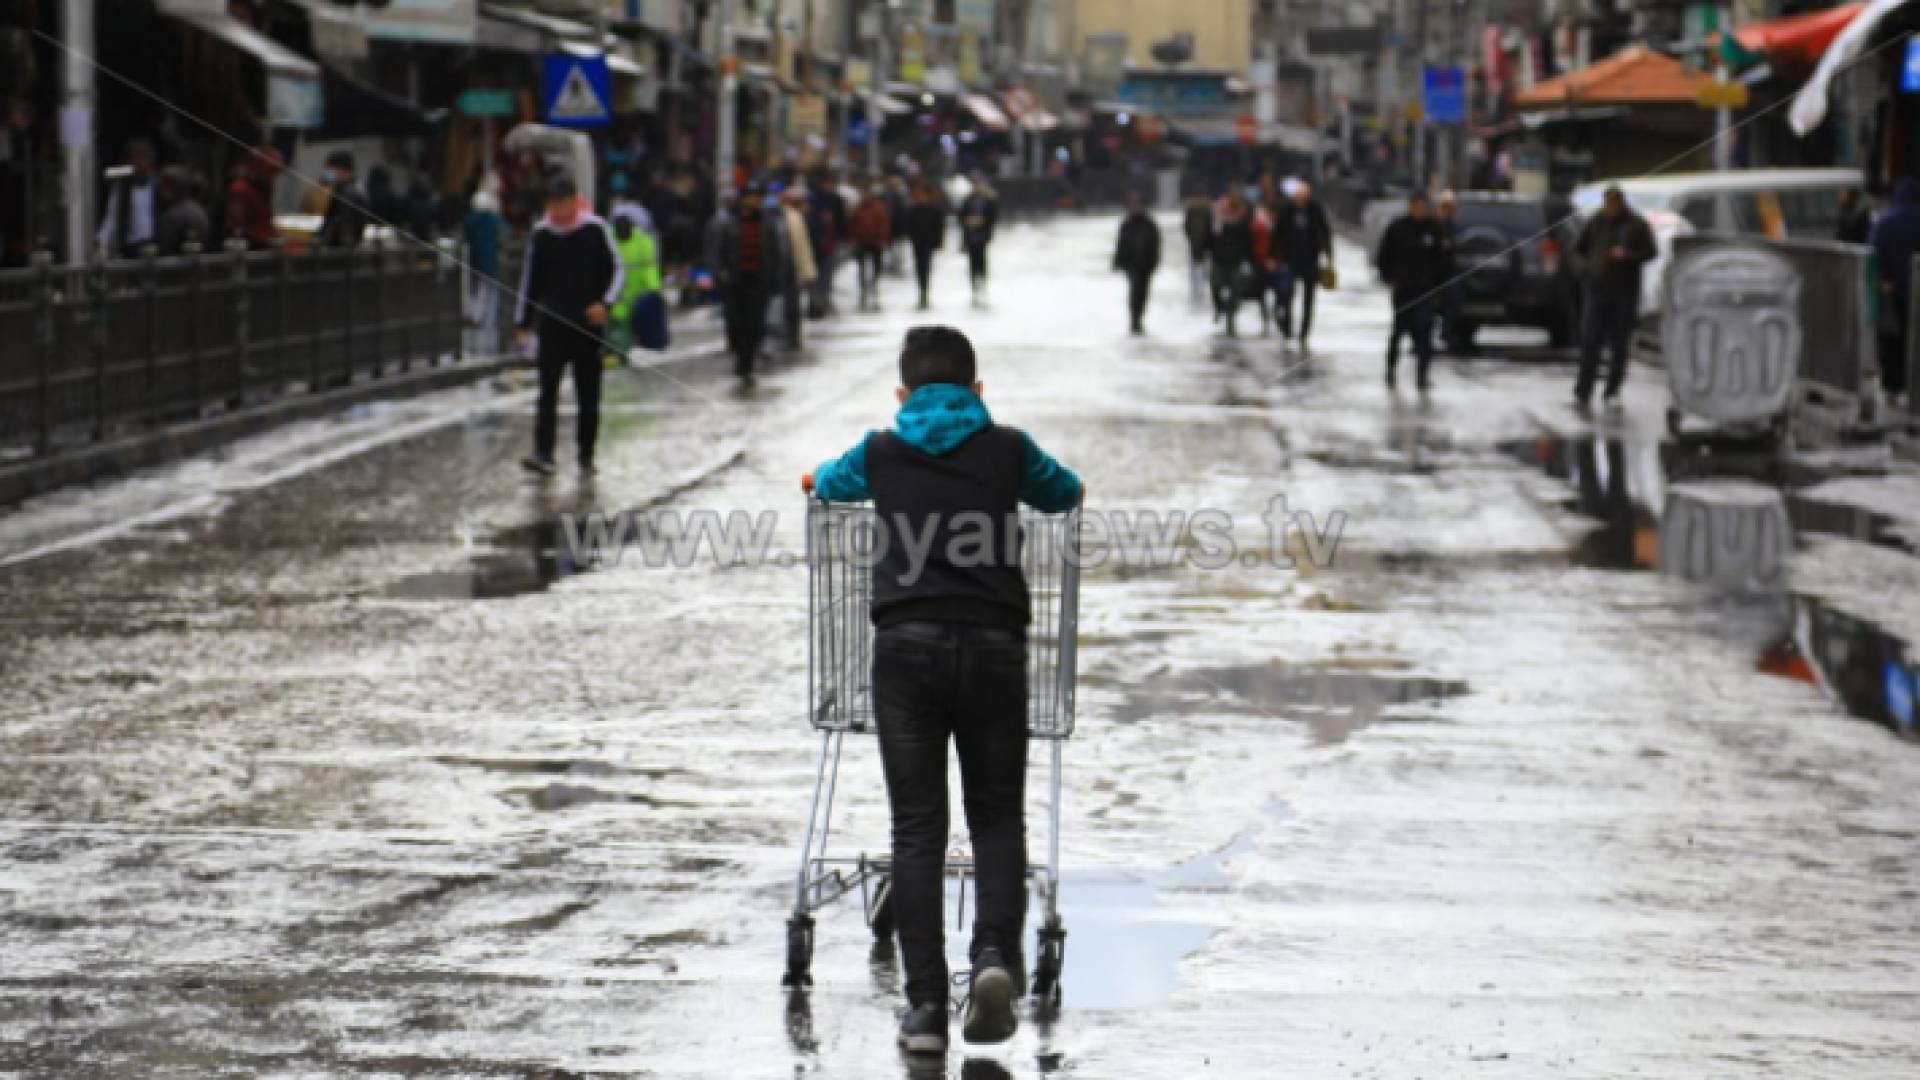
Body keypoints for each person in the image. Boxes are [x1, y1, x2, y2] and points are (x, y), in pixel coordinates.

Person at [807, 325, 1083, 1056]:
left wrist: (814, 480)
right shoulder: (1008, 447)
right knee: (995, 818)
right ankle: (993, 958)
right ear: (978, 393)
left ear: (902, 396)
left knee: (918, 828)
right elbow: (1065, 492)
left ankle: (926, 1008)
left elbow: (828, 482)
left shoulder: (879, 451)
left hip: (906, 649)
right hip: (994, 645)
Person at [514, 174, 623, 476]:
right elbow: (530, 281)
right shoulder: (542, 235)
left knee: (588, 392)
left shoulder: (595, 230)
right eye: (554, 203)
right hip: (553, 324)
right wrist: (523, 321)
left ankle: (585, 456)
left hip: (588, 324)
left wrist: (605, 303)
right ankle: (543, 453)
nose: (560, 210)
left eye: (564, 202)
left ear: (575, 201)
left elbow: (617, 269)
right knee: (547, 389)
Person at [1571, 185, 1656, 413]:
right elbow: (1578, 251)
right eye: (1608, 203)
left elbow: (1650, 252)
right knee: (1590, 342)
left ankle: (1612, 390)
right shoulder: (1595, 222)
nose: (1611, 208)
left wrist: (1627, 256)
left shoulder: (1636, 224)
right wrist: (1585, 268)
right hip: (1596, 290)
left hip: (1624, 293)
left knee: (1619, 344)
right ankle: (1583, 389)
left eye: (1615, 203)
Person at [1375, 191, 1449, 392]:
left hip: (1425, 290)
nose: (1420, 210)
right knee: (1398, 331)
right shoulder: (1398, 228)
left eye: (1423, 207)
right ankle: (1390, 370)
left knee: (1425, 333)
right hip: (1403, 290)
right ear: (1411, 206)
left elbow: (1443, 259)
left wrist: (1439, 284)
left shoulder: (1433, 229)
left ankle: (1422, 376)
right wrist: (1390, 278)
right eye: (1417, 206)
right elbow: (1383, 256)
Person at [710, 184, 773, 385]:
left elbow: (775, 252)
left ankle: (747, 363)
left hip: (758, 280)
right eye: (751, 197)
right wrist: (721, 274)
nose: (755, 202)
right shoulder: (728, 223)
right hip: (736, 281)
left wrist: (774, 279)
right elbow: (717, 251)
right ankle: (741, 358)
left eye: (758, 198)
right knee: (737, 323)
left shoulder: (766, 223)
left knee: (755, 324)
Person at [1870, 177, 1920, 408]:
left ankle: (1893, 388)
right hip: (1915, 290)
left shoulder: (1886, 220)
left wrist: (1883, 280)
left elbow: (1873, 252)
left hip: (1892, 290)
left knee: (1892, 340)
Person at [1273, 181, 1334, 345]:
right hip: (1290, 259)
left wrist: (1329, 256)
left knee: (1308, 299)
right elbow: (1278, 233)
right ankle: (1287, 328)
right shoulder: (1287, 210)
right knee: (1287, 296)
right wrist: (1273, 256)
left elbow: (1325, 232)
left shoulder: (1316, 210)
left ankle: (1304, 332)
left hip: (1310, 260)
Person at [606, 205, 664, 364]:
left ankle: (619, 355)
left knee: (623, 333)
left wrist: (654, 290)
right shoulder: (607, 239)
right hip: (612, 297)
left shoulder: (643, 241)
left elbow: (650, 267)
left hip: (632, 297)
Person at [97, 139, 157, 257]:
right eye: (136, 158)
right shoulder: (122, 186)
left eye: (143, 158)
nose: (139, 162)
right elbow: (112, 215)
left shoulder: (156, 184)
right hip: (131, 244)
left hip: (153, 243)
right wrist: (102, 240)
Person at [775, 186, 818, 350]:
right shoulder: (793, 217)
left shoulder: (793, 217)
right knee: (790, 305)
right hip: (788, 269)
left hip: (791, 270)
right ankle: (790, 335)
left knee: (791, 305)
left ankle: (791, 335)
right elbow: (802, 248)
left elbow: (802, 247)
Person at [1113, 194, 1161, 334]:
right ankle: (1134, 319)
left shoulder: (1149, 224)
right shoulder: (1126, 224)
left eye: (1138, 205)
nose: (1135, 208)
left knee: (1143, 292)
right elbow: (1121, 244)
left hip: (1146, 265)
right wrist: (1118, 260)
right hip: (1131, 264)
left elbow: (1155, 244)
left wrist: (1154, 262)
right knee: (1135, 290)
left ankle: (1138, 317)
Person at [1209, 189, 1254, 336]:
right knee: (1215, 286)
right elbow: (1209, 235)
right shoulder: (1217, 214)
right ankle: (1219, 308)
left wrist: (1248, 258)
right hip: (1218, 259)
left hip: (1236, 260)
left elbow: (1247, 238)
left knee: (1236, 291)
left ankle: (1230, 317)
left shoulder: (1244, 216)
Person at [464, 183, 506, 340]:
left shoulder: (470, 219)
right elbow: (503, 231)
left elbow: (467, 236)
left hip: (475, 257)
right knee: (491, 290)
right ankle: (491, 318)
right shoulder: (492, 218)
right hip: (491, 258)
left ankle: (475, 315)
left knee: (474, 287)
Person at [223, 145, 284, 251]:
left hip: (264, 246)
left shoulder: (263, 190)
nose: (272, 179)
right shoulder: (240, 189)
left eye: (274, 174)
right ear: (257, 170)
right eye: (269, 173)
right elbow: (236, 226)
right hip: (249, 249)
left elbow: (265, 221)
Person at [850, 182, 892, 310]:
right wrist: (853, 239)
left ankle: (874, 290)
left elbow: (884, 224)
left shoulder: (878, 208)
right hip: (862, 243)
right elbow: (853, 225)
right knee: (862, 269)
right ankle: (863, 293)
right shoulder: (858, 208)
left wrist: (882, 240)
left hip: (875, 243)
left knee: (876, 269)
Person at [1432, 190, 1464, 354]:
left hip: (1448, 272)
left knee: (1454, 299)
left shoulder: (1452, 225)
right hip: (1431, 273)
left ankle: (1447, 332)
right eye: (1445, 206)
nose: (1448, 210)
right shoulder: (1432, 224)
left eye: (1451, 207)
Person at [317, 151, 371, 248]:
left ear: (343, 170)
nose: (326, 173)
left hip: (343, 248)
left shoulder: (347, 192)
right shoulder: (355, 188)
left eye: (330, 170)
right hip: (348, 246)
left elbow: (343, 221)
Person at [905, 183, 946, 310]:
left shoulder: (934, 210)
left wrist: (939, 242)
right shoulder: (914, 209)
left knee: (926, 265)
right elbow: (909, 225)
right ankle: (921, 288)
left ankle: (925, 288)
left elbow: (939, 227)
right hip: (917, 242)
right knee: (919, 266)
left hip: (929, 243)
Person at [957, 177, 998, 303]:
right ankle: (974, 287)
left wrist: (982, 222)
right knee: (972, 262)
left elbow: (992, 218)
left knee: (982, 261)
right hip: (970, 236)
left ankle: (982, 284)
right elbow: (961, 216)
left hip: (982, 237)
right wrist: (968, 222)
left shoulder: (989, 201)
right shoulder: (968, 200)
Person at [153, 167, 209, 256]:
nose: (161, 193)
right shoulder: (198, 209)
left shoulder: (171, 217)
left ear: (171, 188)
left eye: (163, 188)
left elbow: (165, 251)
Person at [1182, 193, 1213, 303]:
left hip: (1202, 244)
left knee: (1202, 268)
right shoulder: (1195, 212)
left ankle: (1199, 289)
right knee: (1198, 268)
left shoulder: (1207, 212)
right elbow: (1187, 226)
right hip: (1197, 243)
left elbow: (1186, 226)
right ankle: (1197, 289)